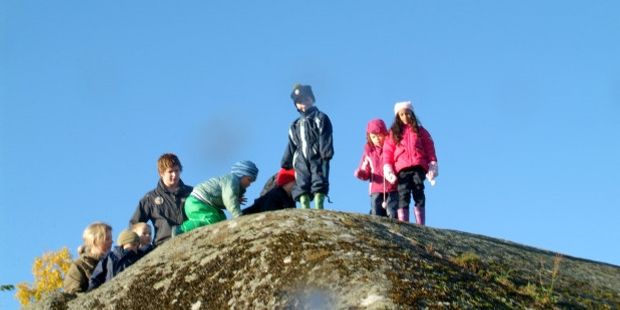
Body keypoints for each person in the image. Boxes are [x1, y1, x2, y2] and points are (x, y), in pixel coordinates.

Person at [383, 101, 438, 225]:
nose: (405, 117)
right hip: (401, 169)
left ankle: (420, 222)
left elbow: (429, 147)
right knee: (403, 192)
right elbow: (387, 151)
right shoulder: (393, 133)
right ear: (398, 116)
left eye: (407, 114)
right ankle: (404, 222)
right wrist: (388, 167)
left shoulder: (420, 131)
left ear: (412, 114)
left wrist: (432, 163)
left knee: (419, 190)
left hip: (418, 166)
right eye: (402, 114)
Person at [281, 84, 334, 209]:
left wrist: (325, 152)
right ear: (296, 105)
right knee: (302, 182)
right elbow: (292, 144)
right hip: (300, 159)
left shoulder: (320, 117)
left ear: (311, 99)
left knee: (319, 179)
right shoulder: (295, 124)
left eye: (306, 99)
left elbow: (325, 135)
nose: (303, 103)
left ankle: (319, 205)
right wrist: (286, 160)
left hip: (318, 156)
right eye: (299, 101)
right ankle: (304, 206)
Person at [129, 153, 193, 246]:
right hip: (163, 245)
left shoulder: (192, 192)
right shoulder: (150, 198)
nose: (174, 175)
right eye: (170, 171)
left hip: (191, 240)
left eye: (177, 170)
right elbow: (134, 225)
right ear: (161, 173)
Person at [178, 160, 259, 233]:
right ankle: (181, 230)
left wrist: (236, 199)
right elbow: (229, 199)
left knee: (221, 218)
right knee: (212, 220)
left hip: (203, 204)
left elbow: (224, 198)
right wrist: (238, 217)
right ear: (241, 174)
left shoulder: (233, 183)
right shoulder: (232, 180)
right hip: (197, 202)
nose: (249, 184)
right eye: (249, 179)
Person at [354, 119, 398, 218]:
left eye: (379, 135)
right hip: (376, 188)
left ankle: (395, 230)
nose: (377, 139)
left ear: (385, 134)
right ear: (369, 137)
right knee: (376, 212)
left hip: (392, 187)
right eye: (373, 137)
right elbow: (365, 169)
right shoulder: (369, 152)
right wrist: (361, 173)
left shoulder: (392, 148)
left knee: (393, 211)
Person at [63, 222, 112, 294]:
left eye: (111, 238)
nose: (111, 242)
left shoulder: (112, 261)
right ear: (94, 241)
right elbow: (73, 294)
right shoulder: (79, 266)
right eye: (107, 239)